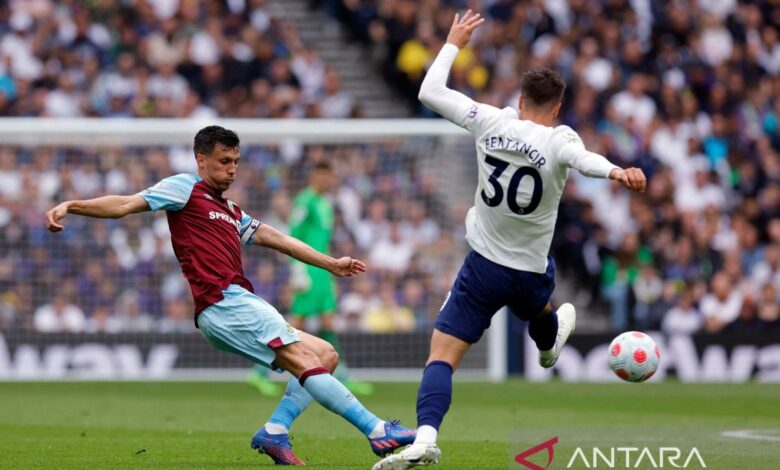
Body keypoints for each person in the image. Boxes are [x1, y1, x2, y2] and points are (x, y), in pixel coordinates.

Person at [46, 126, 415, 466]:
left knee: (325, 354)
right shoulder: (185, 188)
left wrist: (331, 264)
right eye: (224, 162)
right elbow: (125, 204)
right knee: (305, 359)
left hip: (234, 303)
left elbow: (279, 239)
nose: (232, 170)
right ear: (201, 160)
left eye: (236, 162)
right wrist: (72, 206)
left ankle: (274, 432)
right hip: (223, 302)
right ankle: (377, 430)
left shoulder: (230, 210)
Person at [373, 12, 646, 470]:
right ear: (557, 107)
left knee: (441, 357)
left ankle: (424, 439)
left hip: (483, 268)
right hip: (532, 273)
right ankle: (549, 336)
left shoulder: (492, 121)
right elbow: (583, 160)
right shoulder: (560, 139)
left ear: (520, 100)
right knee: (539, 309)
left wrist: (453, 42)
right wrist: (617, 170)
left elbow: (429, 92)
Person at [287, 161, 373, 395]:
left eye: (331, 176)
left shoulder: (326, 203)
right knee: (299, 323)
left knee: (327, 321)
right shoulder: (305, 202)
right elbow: (292, 235)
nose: (328, 180)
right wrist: (297, 269)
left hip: (323, 270)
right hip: (307, 269)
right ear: (315, 176)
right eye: (324, 176)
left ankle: (342, 374)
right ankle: (261, 370)